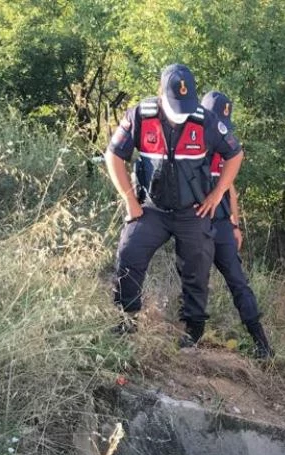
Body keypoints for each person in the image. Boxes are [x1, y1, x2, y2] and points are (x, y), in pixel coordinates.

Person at [105, 64, 244, 348]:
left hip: (192, 211)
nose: (180, 114)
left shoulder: (205, 121)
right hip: (151, 209)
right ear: (160, 93)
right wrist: (130, 200)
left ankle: (193, 332)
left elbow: (235, 153)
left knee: (197, 270)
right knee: (129, 254)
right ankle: (126, 322)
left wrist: (217, 194)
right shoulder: (139, 116)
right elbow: (113, 155)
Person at [200, 90, 273, 360]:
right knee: (195, 283)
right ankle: (191, 339)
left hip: (220, 226)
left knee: (238, 283)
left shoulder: (225, 148)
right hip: (195, 226)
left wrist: (235, 225)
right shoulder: (189, 142)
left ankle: (262, 345)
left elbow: (231, 190)